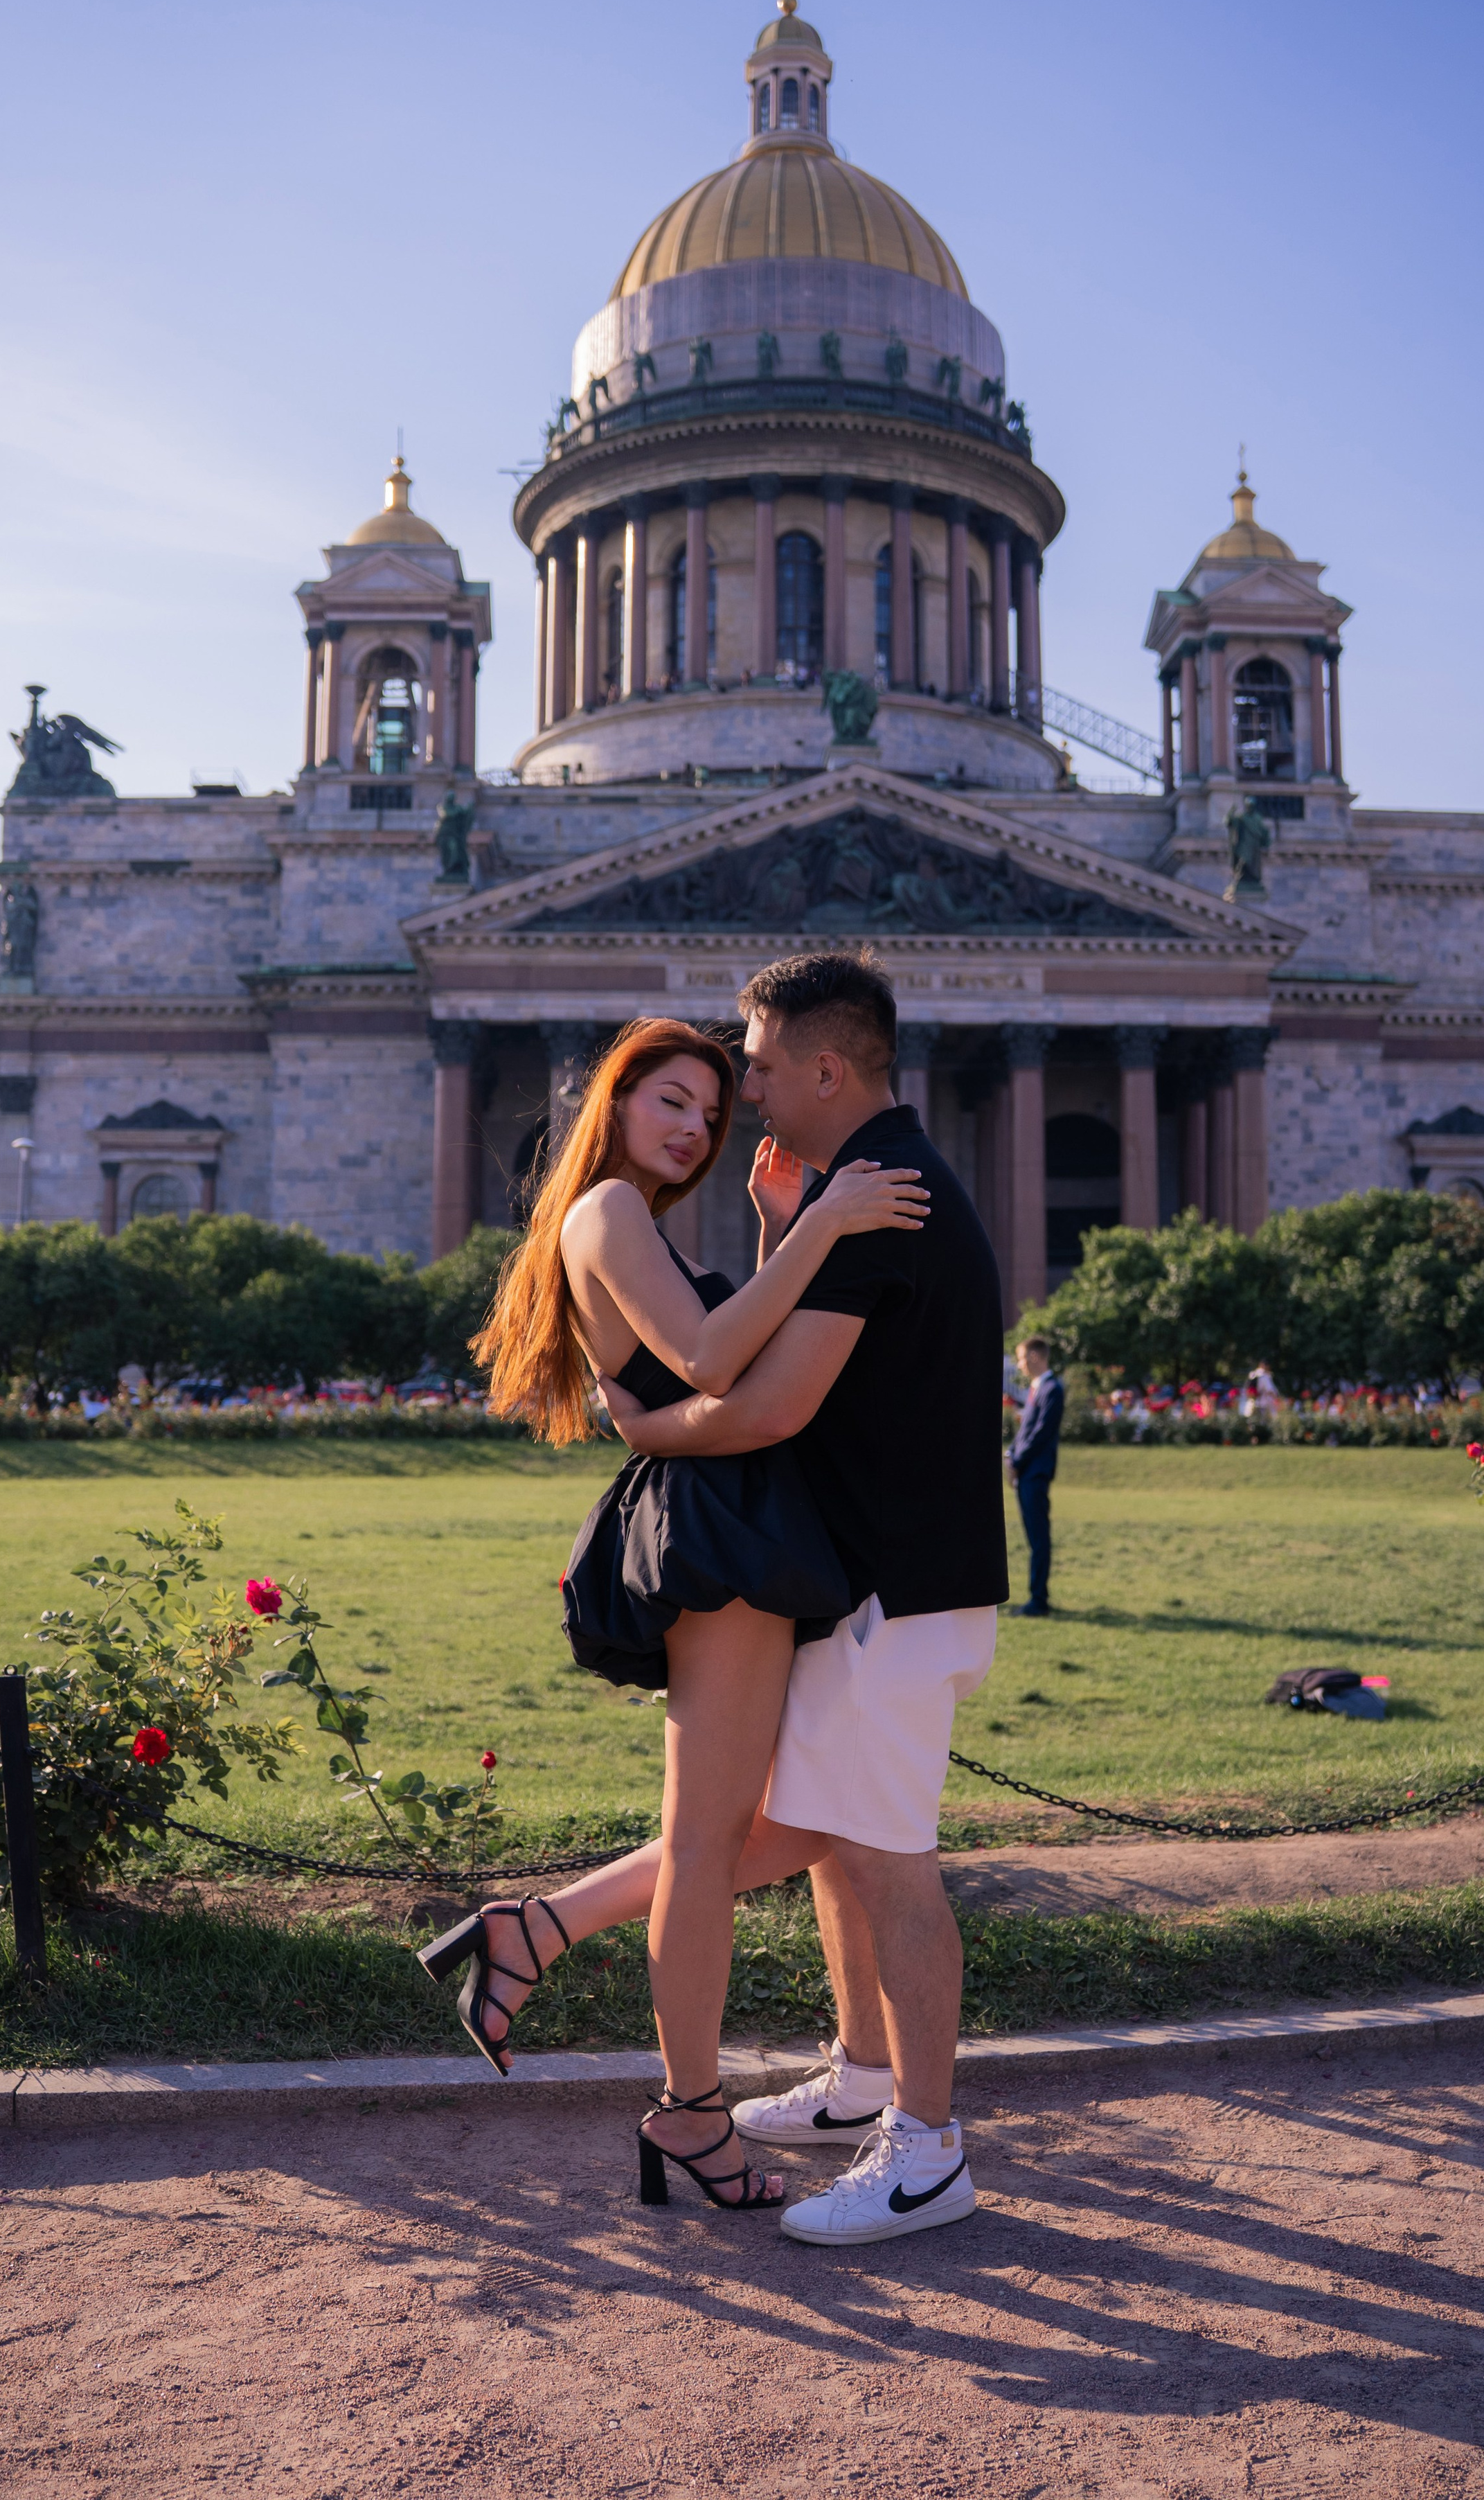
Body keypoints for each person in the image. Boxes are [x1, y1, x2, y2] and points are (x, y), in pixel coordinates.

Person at [447, 955, 1008, 2249]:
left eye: (741, 1074)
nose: (726, 1108)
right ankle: (839, 2086)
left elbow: (753, 1396)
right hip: (815, 1566)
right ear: (618, 1104)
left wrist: (660, 1402)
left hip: (885, 1587)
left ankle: (916, 2149)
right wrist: (663, 1395)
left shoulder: (882, 1197)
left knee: (851, 1849)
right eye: (686, 1096)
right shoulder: (820, 1200)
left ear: (825, 1067)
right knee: (795, 1833)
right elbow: (725, 1378)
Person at [1007, 1335, 1064, 1617]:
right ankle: (1036, 1596)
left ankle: (1038, 1600)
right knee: (1033, 1538)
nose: (1019, 1365)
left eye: (1020, 1358)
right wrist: (1010, 1455)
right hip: (1026, 1472)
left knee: (1039, 1538)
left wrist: (1017, 1460)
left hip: (1036, 1473)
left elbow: (1041, 1434)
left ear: (1033, 1356)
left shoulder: (1052, 1389)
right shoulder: (1037, 1389)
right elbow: (1025, 1432)